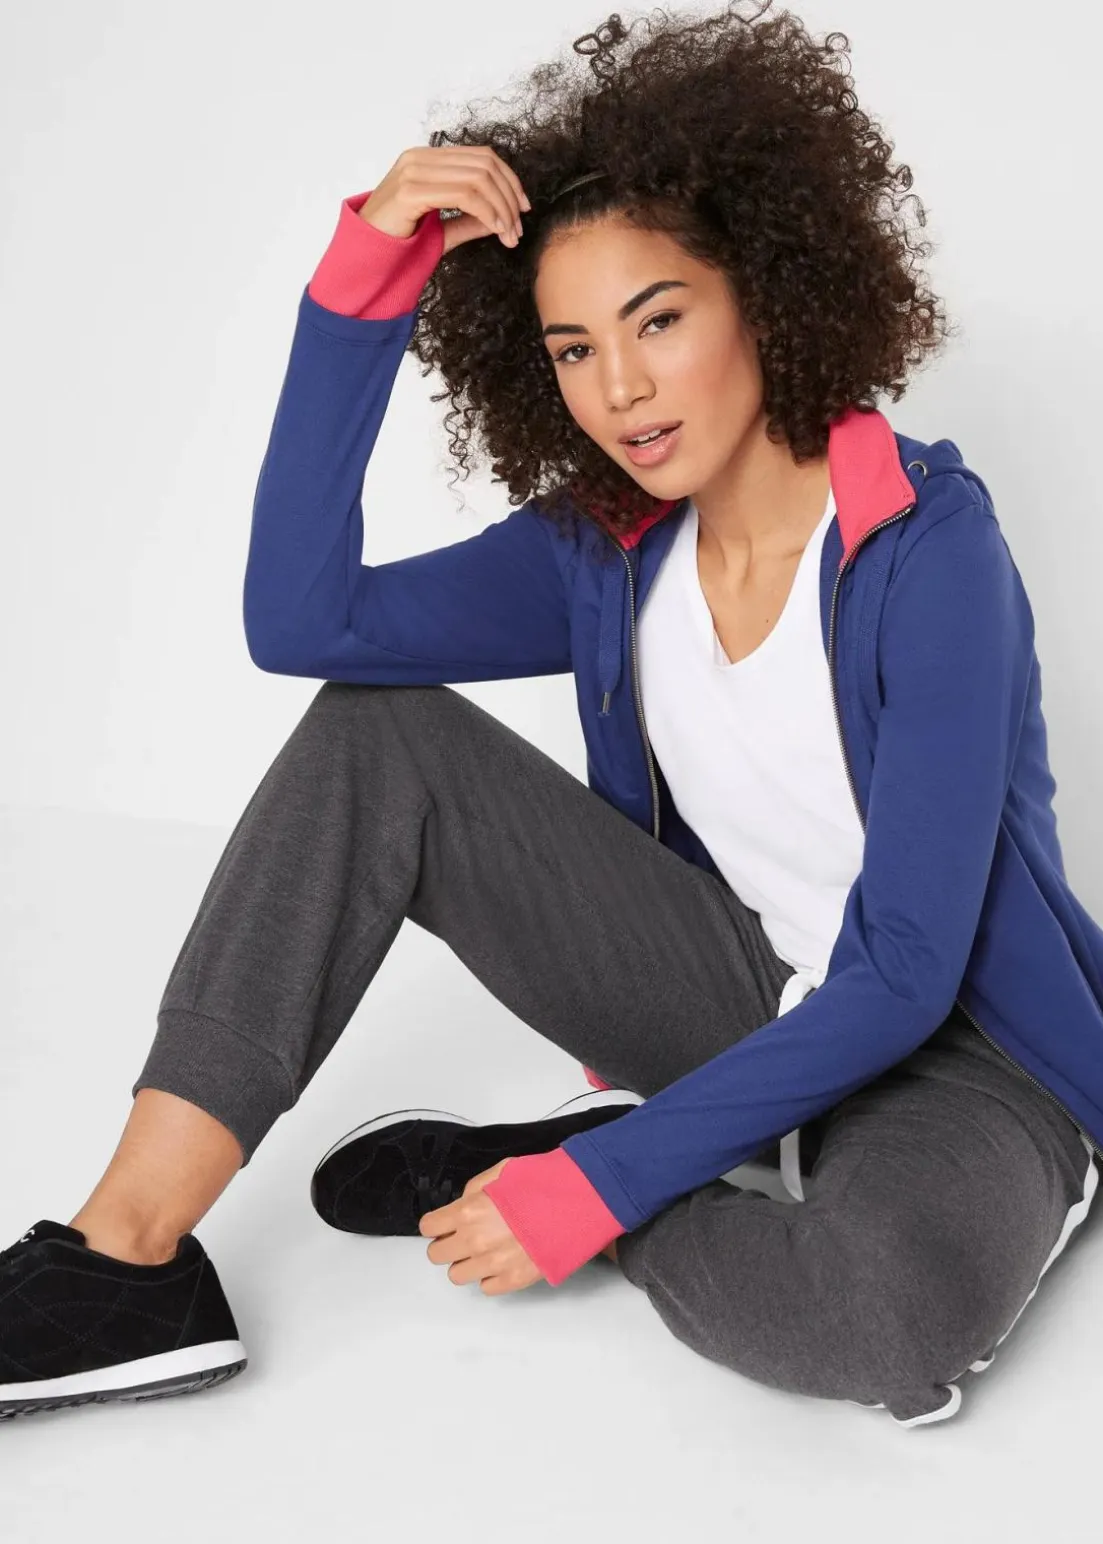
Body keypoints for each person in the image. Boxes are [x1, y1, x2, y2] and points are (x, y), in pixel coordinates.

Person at [3, 0, 1101, 1428]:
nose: (620, 389)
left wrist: (599, 1191)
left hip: (963, 1056)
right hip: (736, 996)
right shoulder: (606, 544)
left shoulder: (928, 550)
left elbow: (903, 973)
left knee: (874, 1326)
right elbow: (305, 624)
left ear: (767, 294)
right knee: (375, 733)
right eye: (574, 349)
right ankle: (124, 1260)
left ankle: (609, 1165)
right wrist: (365, 283)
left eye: (659, 320)